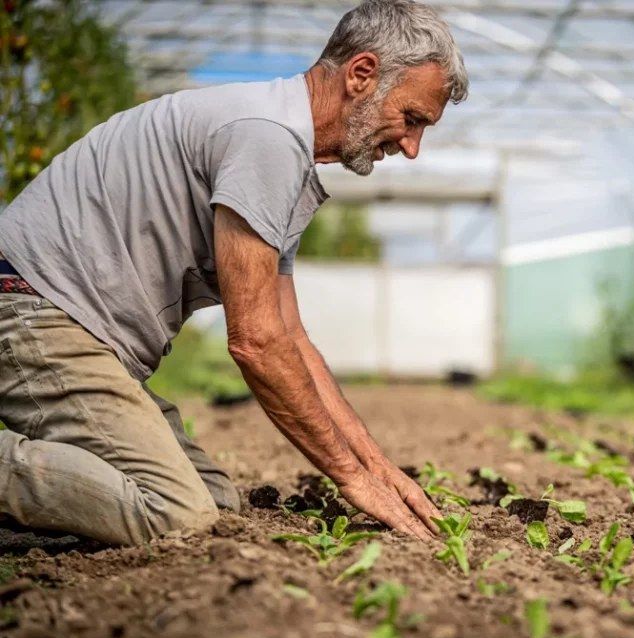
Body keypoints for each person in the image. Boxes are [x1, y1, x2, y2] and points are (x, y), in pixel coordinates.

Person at [0, 0, 468, 545]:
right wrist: (350, 480)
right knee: (175, 514)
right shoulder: (266, 138)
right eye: (411, 119)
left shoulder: (284, 154)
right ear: (361, 74)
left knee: (215, 501)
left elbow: (290, 337)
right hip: (32, 311)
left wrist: (379, 469)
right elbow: (257, 344)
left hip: (68, 326)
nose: (411, 147)